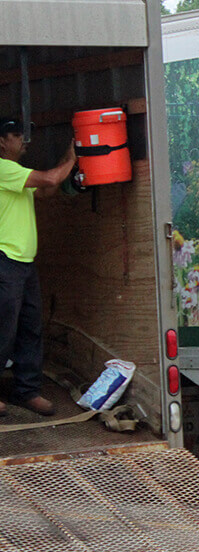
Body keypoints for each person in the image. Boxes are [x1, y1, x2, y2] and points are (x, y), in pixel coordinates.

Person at [0, 117, 77, 417]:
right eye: (17, 135)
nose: (23, 141)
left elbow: (45, 191)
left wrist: (62, 165)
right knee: (4, 330)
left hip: (24, 264)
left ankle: (27, 391)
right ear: (1, 142)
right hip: (6, 261)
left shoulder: (18, 174)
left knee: (30, 328)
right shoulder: (3, 169)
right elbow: (49, 181)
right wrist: (70, 160)